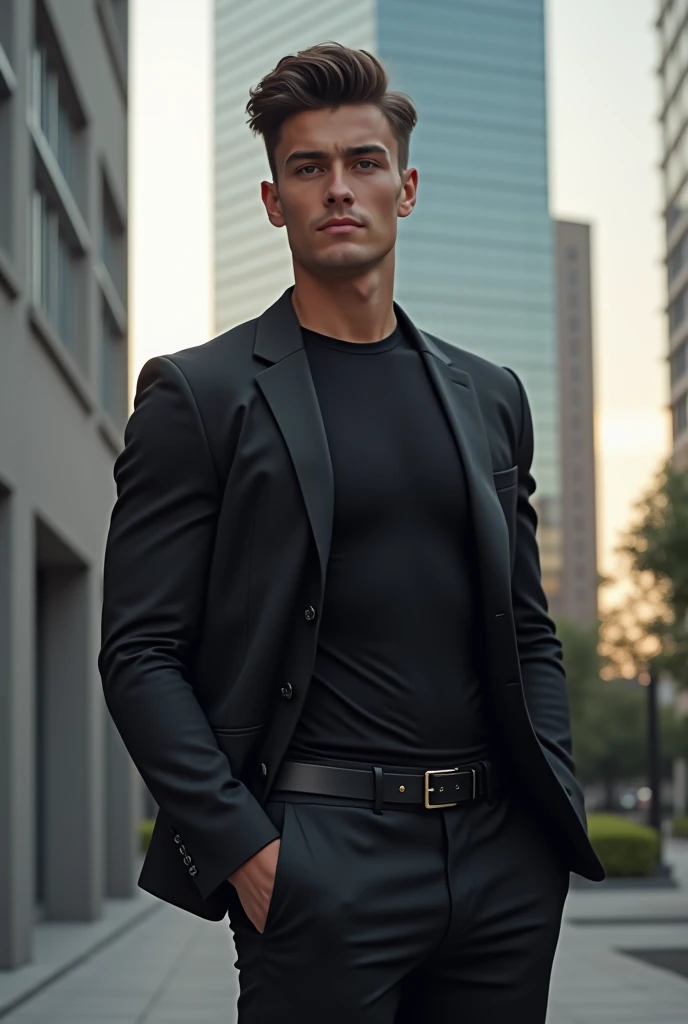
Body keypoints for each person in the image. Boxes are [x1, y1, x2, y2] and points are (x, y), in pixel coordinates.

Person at [99, 41, 604, 1024]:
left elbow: (528, 626)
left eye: (363, 162)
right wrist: (249, 854)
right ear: (272, 199)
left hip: (502, 862)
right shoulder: (197, 396)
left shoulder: (489, 396)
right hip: (319, 857)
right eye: (308, 166)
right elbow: (139, 652)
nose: (339, 187)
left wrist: (549, 814)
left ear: (404, 188)